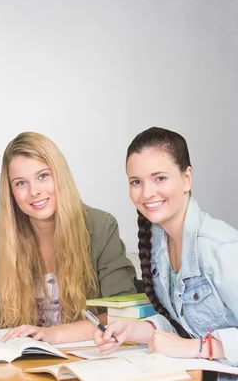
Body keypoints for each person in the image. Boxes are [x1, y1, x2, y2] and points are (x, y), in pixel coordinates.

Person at [0, 132, 136, 344]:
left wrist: (54, 335)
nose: (34, 191)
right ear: (11, 191)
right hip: (18, 364)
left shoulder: (101, 227)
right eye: (21, 183)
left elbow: (124, 313)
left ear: (60, 175)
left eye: (43, 176)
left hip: (84, 358)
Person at [95, 127, 238, 367]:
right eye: (136, 182)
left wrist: (198, 348)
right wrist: (134, 330)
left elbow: (190, 343)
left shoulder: (219, 249)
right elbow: (186, 325)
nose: (147, 193)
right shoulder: (159, 243)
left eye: (160, 178)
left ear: (187, 179)